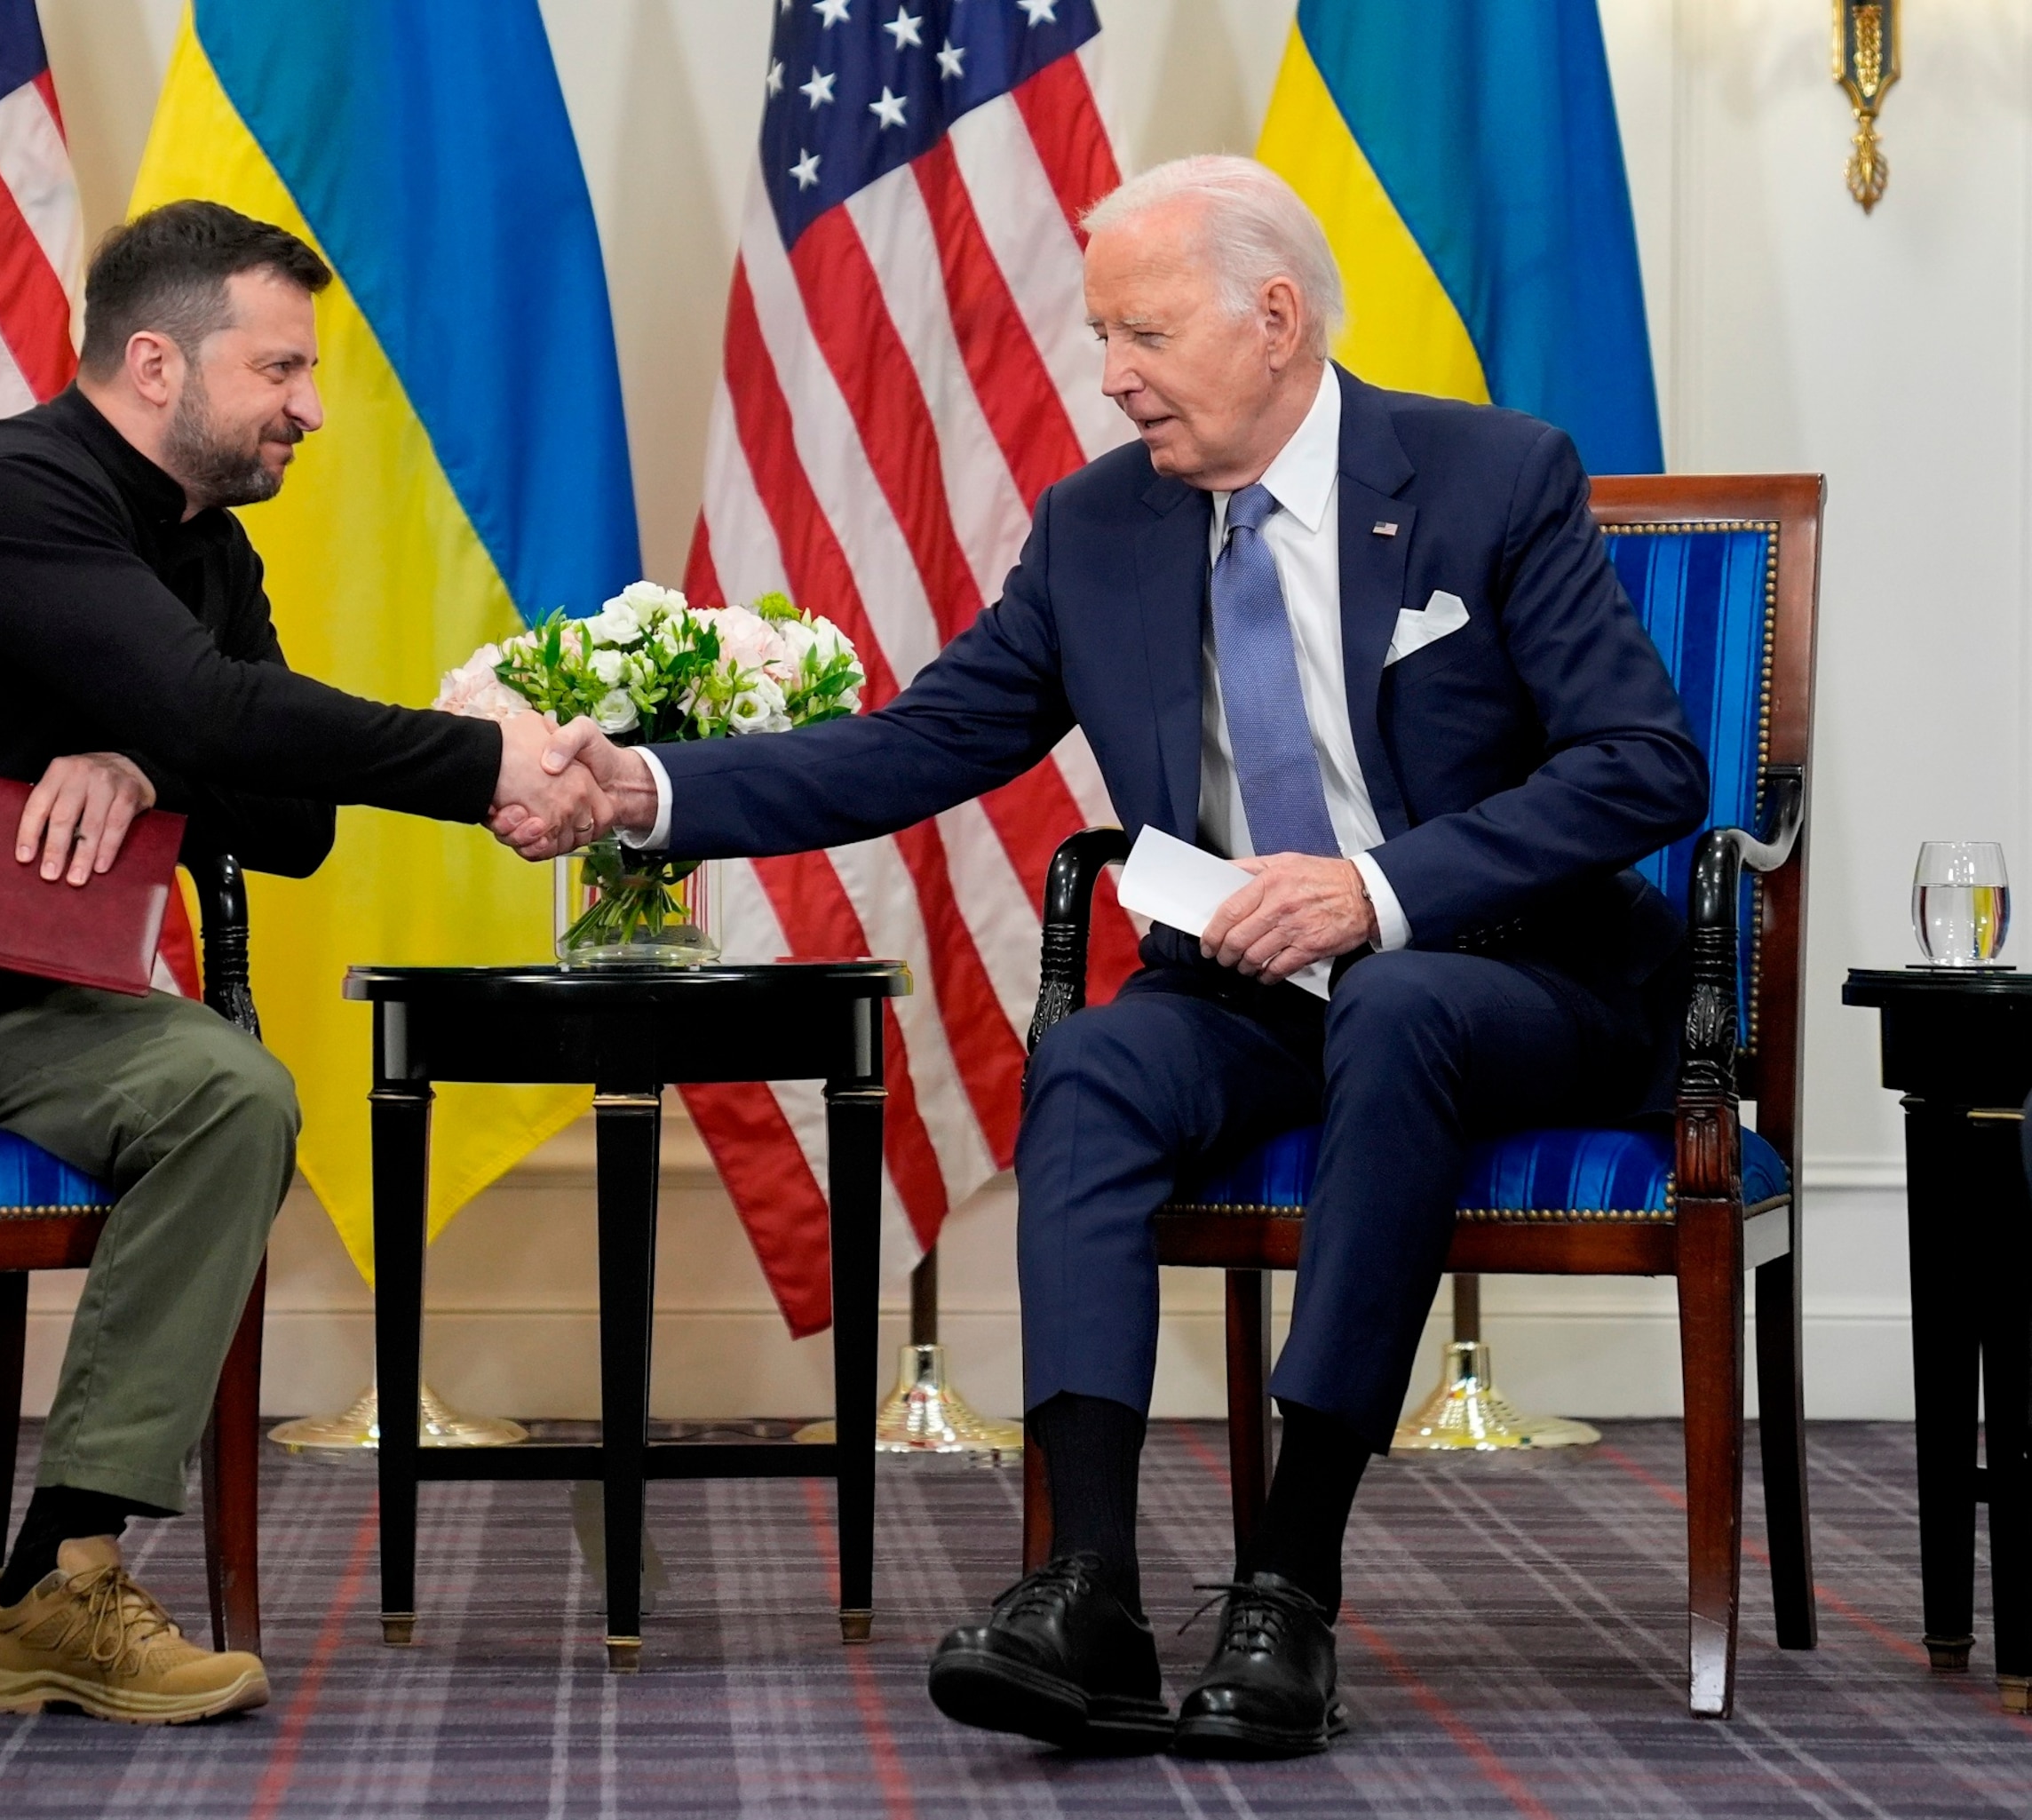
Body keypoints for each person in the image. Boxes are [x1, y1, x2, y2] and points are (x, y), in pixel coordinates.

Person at [532, 155, 1706, 1759]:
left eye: (1139, 333)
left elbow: (1644, 764)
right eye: (1100, 336)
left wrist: (1376, 887)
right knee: (1088, 1059)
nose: (1109, 377)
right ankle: (1087, 1583)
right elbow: (919, 743)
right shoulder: (1100, 524)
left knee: (1406, 1005)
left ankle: (1287, 1585)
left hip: (1513, 977)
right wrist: (649, 791)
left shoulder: (1494, 477)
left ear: (1275, 318)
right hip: (1251, 994)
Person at [0, 200, 606, 1746]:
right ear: (156, 361)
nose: (310, 405)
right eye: (281, 366)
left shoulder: (208, 553)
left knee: (231, 1096)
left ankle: (55, 1580)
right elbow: (215, 714)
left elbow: (284, 821)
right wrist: (478, 756)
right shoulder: (9, 489)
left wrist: (132, 743)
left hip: (23, 988)